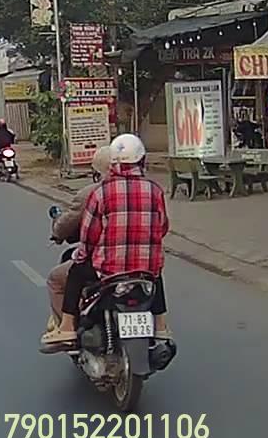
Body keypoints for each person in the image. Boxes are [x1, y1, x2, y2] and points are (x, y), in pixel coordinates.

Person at [41, 133, 172, 351]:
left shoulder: (101, 192)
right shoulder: (155, 190)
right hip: (145, 269)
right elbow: (163, 227)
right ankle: (160, 326)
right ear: (142, 160)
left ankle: (67, 328)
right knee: (155, 274)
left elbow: (89, 236)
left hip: (108, 270)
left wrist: (81, 257)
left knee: (74, 272)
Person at [43, 146, 113, 335]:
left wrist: (59, 233)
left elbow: (80, 232)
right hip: (143, 264)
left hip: (105, 262)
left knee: (58, 278)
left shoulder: (93, 194)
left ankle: (67, 329)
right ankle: (161, 327)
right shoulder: (147, 189)